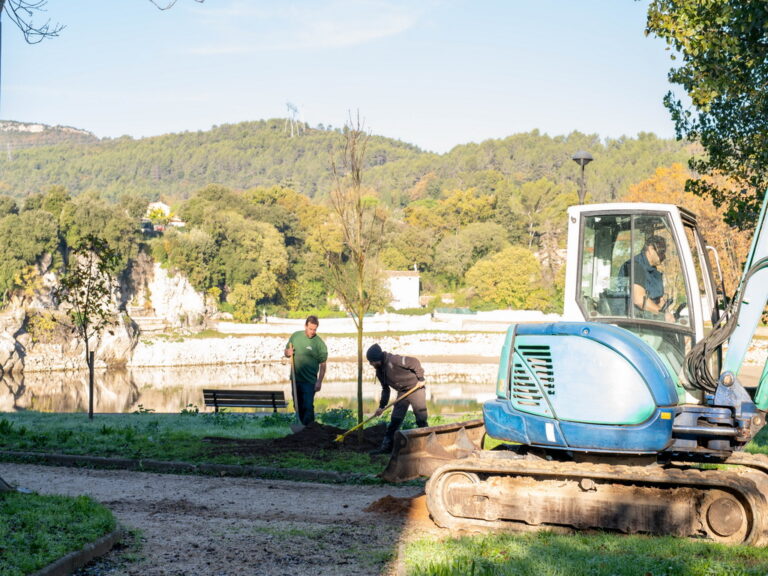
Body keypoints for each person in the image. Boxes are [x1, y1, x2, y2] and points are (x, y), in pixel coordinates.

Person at [366, 343, 428, 455]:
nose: (371, 364)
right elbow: (385, 390)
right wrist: (381, 406)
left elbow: (414, 362)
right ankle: (386, 448)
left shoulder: (394, 360)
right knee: (395, 420)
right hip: (402, 392)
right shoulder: (379, 371)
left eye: (372, 361)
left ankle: (427, 447)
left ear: (377, 358)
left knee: (421, 419)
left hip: (416, 388)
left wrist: (421, 378)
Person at [619, 235, 674, 321]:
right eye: (661, 252)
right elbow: (638, 300)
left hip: (649, 318)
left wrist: (667, 313)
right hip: (635, 321)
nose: (664, 256)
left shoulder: (655, 273)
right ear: (650, 249)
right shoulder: (635, 266)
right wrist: (661, 314)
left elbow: (660, 299)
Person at [285, 315, 327, 425]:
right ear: (305, 326)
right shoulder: (295, 336)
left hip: (310, 381)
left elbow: (323, 365)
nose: (312, 332)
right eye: (310, 329)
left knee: (308, 406)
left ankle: (309, 430)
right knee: (297, 405)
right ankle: (302, 430)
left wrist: (319, 381)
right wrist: (287, 353)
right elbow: (286, 352)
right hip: (296, 378)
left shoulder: (319, 343)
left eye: (314, 329)